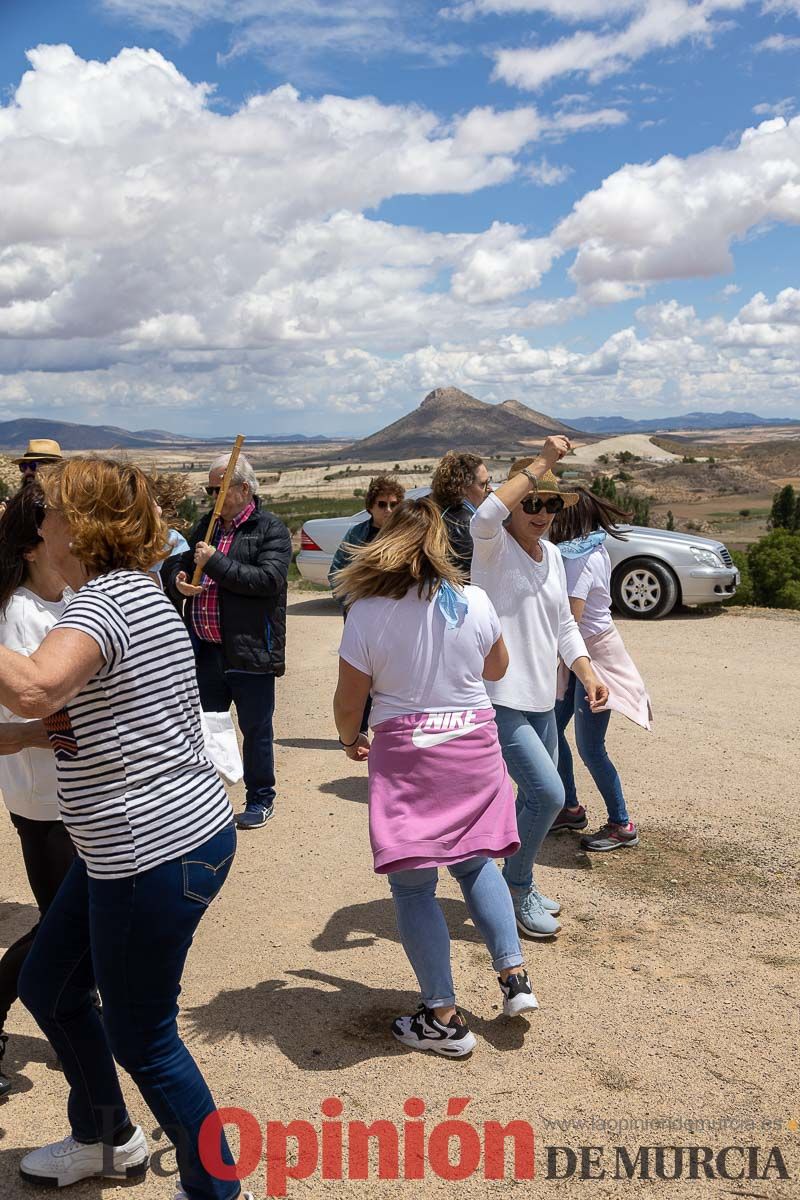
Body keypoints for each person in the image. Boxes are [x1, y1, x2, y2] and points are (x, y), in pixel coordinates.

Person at [0, 458, 245, 1199]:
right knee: (51, 985)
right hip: (136, 847)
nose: (37, 519)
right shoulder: (124, 596)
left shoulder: (104, 604)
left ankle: (217, 1188)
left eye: (49, 507)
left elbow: (39, 685)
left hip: (153, 851)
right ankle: (106, 1138)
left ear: (80, 525)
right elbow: (63, 712)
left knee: (144, 1033)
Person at [333, 496, 538, 1059]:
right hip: (473, 742)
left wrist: (350, 741)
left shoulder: (367, 611)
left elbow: (349, 702)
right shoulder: (472, 600)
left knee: (414, 885)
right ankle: (513, 977)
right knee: (476, 863)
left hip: (410, 754)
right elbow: (496, 669)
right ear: (442, 547)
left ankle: (442, 1017)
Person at [470, 438, 609, 939]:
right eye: (532, 501)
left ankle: (501, 878)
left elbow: (563, 627)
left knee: (530, 801)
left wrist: (587, 671)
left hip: (542, 699)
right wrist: (545, 462)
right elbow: (485, 514)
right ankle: (516, 886)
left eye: (552, 503)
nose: (543, 512)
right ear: (514, 503)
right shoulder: (492, 546)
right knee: (549, 795)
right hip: (498, 697)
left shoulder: (551, 555)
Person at [163, 454, 292, 831]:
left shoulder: (270, 529)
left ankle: (260, 798)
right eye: (209, 489)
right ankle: (206, 802)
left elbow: (268, 580)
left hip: (250, 649)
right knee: (206, 728)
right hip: (206, 649)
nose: (211, 496)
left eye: (217, 489)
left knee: (254, 729)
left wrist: (215, 561)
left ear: (242, 489)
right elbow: (178, 563)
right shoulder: (209, 525)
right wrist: (179, 579)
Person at [0, 485, 73, 1100]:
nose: (76, 531)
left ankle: (77, 1014)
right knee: (58, 924)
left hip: (90, 795)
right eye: (61, 523)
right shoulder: (12, 615)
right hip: (41, 802)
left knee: (85, 919)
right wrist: (51, 730)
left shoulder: (77, 600)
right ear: (31, 546)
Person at [549, 488, 652, 851]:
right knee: (551, 729)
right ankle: (569, 807)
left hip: (592, 657)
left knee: (590, 747)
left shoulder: (578, 559)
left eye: (557, 509)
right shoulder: (590, 547)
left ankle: (621, 824)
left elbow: (571, 620)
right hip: (581, 655)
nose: (551, 515)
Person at [328, 475, 405, 734]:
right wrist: (355, 604)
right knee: (359, 676)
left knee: (394, 677)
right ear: (370, 506)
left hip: (398, 620)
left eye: (394, 504)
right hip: (361, 619)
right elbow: (336, 573)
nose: (388, 510)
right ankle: (356, 731)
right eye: (382, 504)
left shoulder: (406, 535)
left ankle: (391, 728)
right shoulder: (357, 534)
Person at [430, 451, 492, 575]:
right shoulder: (467, 523)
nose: (490, 489)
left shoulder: (440, 513)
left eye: (489, 482)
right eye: (483, 484)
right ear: (463, 487)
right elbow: (472, 576)